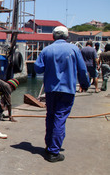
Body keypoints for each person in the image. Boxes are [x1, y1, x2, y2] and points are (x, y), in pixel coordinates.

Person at [34, 26, 89, 162]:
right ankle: (54, 151)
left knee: (51, 116)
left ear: (53, 37)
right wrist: (85, 84)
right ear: (67, 36)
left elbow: (38, 68)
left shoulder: (47, 50)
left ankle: (49, 146)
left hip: (51, 90)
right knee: (60, 118)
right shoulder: (74, 49)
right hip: (67, 90)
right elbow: (82, 69)